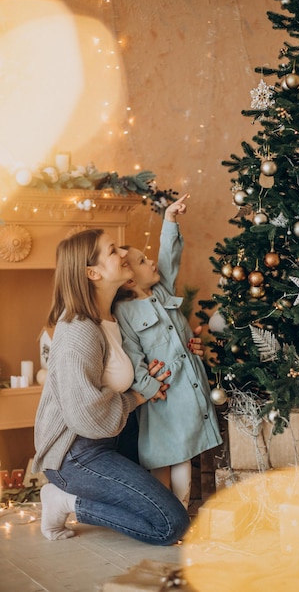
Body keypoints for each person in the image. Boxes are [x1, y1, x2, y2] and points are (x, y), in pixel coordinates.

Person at [32, 227, 190, 544]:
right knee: (169, 525)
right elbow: (85, 416)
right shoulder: (79, 331)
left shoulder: (114, 314)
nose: (122, 254)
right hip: (75, 455)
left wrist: (186, 347)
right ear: (93, 272)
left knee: (158, 509)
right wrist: (136, 397)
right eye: (112, 250)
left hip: (112, 439)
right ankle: (64, 500)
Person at [113, 193, 222, 510]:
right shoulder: (125, 312)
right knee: (159, 457)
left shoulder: (162, 291)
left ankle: (180, 511)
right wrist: (149, 388)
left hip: (185, 394)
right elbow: (132, 355)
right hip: (161, 399)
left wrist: (170, 220)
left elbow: (169, 256)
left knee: (183, 454)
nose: (152, 263)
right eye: (143, 262)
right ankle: (164, 513)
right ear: (130, 278)